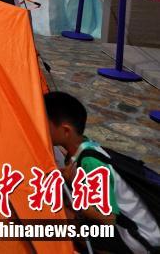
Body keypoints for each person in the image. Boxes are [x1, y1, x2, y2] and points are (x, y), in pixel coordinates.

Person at [45, 91, 160, 251]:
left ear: (66, 131)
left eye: (45, 125)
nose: (41, 129)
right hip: (130, 228)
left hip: (138, 238)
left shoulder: (91, 163)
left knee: (62, 218)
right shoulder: (82, 148)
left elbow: (108, 218)